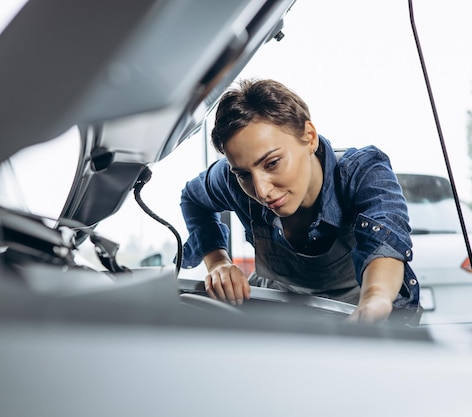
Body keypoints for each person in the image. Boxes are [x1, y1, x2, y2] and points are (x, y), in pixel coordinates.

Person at [179, 78, 421, 325]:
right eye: (244, 175)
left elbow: (384, 245)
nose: (261, 191)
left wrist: (374, 301)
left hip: (360, 322)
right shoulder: (233, 178)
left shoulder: (363, 173)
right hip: (281, 324)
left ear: (310, 136)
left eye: (272, 163)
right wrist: (217, 261)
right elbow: (192, 200)